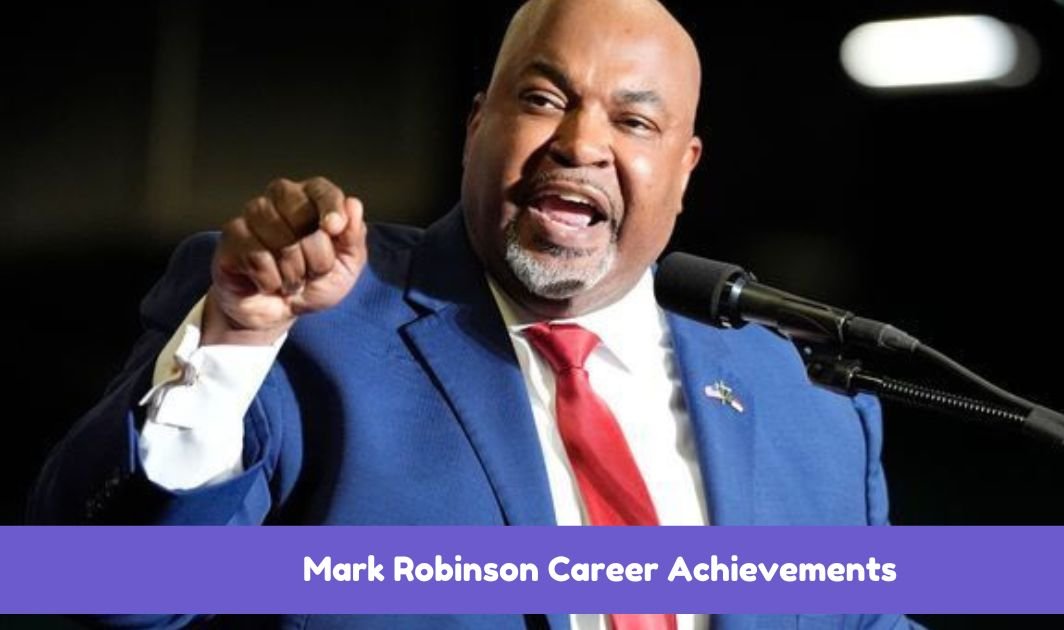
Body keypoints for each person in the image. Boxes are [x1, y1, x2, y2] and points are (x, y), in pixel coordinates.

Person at [30, 0, 911, 628]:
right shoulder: (307, 326)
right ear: (477, 122)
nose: (581, 143)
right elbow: (102, 588)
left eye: (634, 123)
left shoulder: (806, 404)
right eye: (542, 99)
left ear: (685, 168)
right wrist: (240, 338)